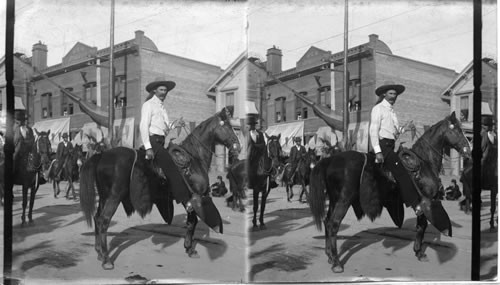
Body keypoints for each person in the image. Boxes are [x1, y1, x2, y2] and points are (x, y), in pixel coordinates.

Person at [369, 81, 428, 216]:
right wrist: (378, 151)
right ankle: (415, 206)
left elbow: (394, 132)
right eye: (390, 93)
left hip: (391, 144)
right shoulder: (378, 109)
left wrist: (404, 129)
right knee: (402, 172)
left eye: (395, 94)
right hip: (383, 145)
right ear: (384, 94)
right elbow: (373, 131)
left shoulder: (392, 111)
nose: (393, 96)